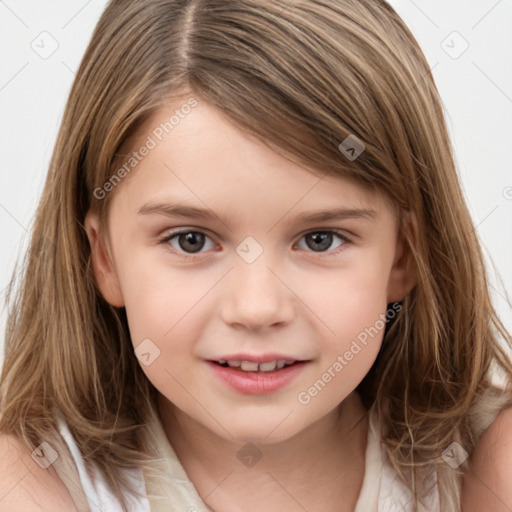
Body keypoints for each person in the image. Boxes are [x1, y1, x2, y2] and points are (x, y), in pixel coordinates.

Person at [1, 1, 511, 511]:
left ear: (403, 257)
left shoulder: (486, 468)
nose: (257, 308)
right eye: (191, 240)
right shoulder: (30, 487)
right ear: (105, 259)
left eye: (320, 239)